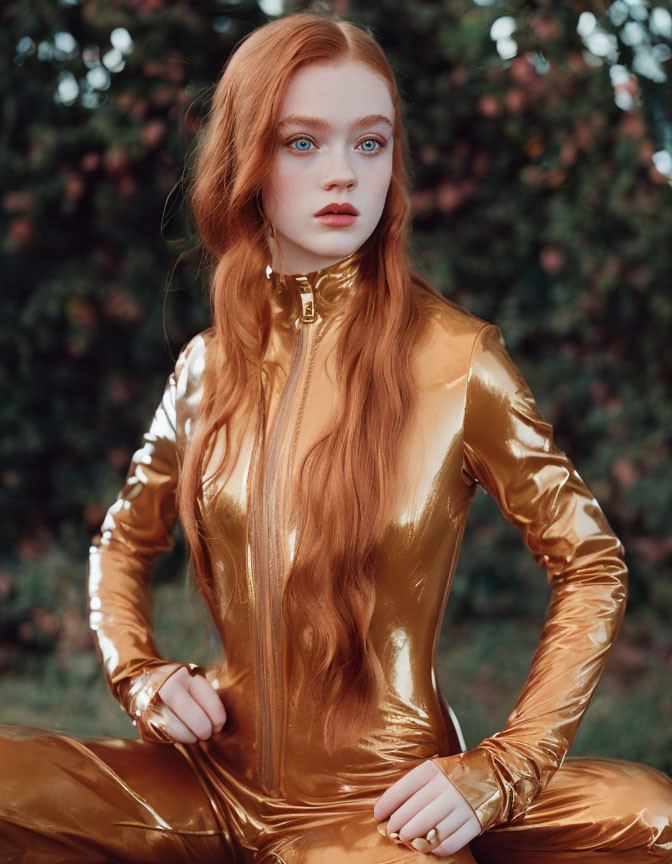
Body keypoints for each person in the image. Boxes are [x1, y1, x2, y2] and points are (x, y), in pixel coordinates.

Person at [1, 10, 670, 864]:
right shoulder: (208, 367)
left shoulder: (457, 359)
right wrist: (142, 674)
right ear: (248, 159)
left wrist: (502, 770)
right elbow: (123, 540)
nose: (344, 175)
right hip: (209, 783)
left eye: (371, 142)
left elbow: (592, 563)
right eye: (302, 143)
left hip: (383, 808)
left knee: (653, 812)